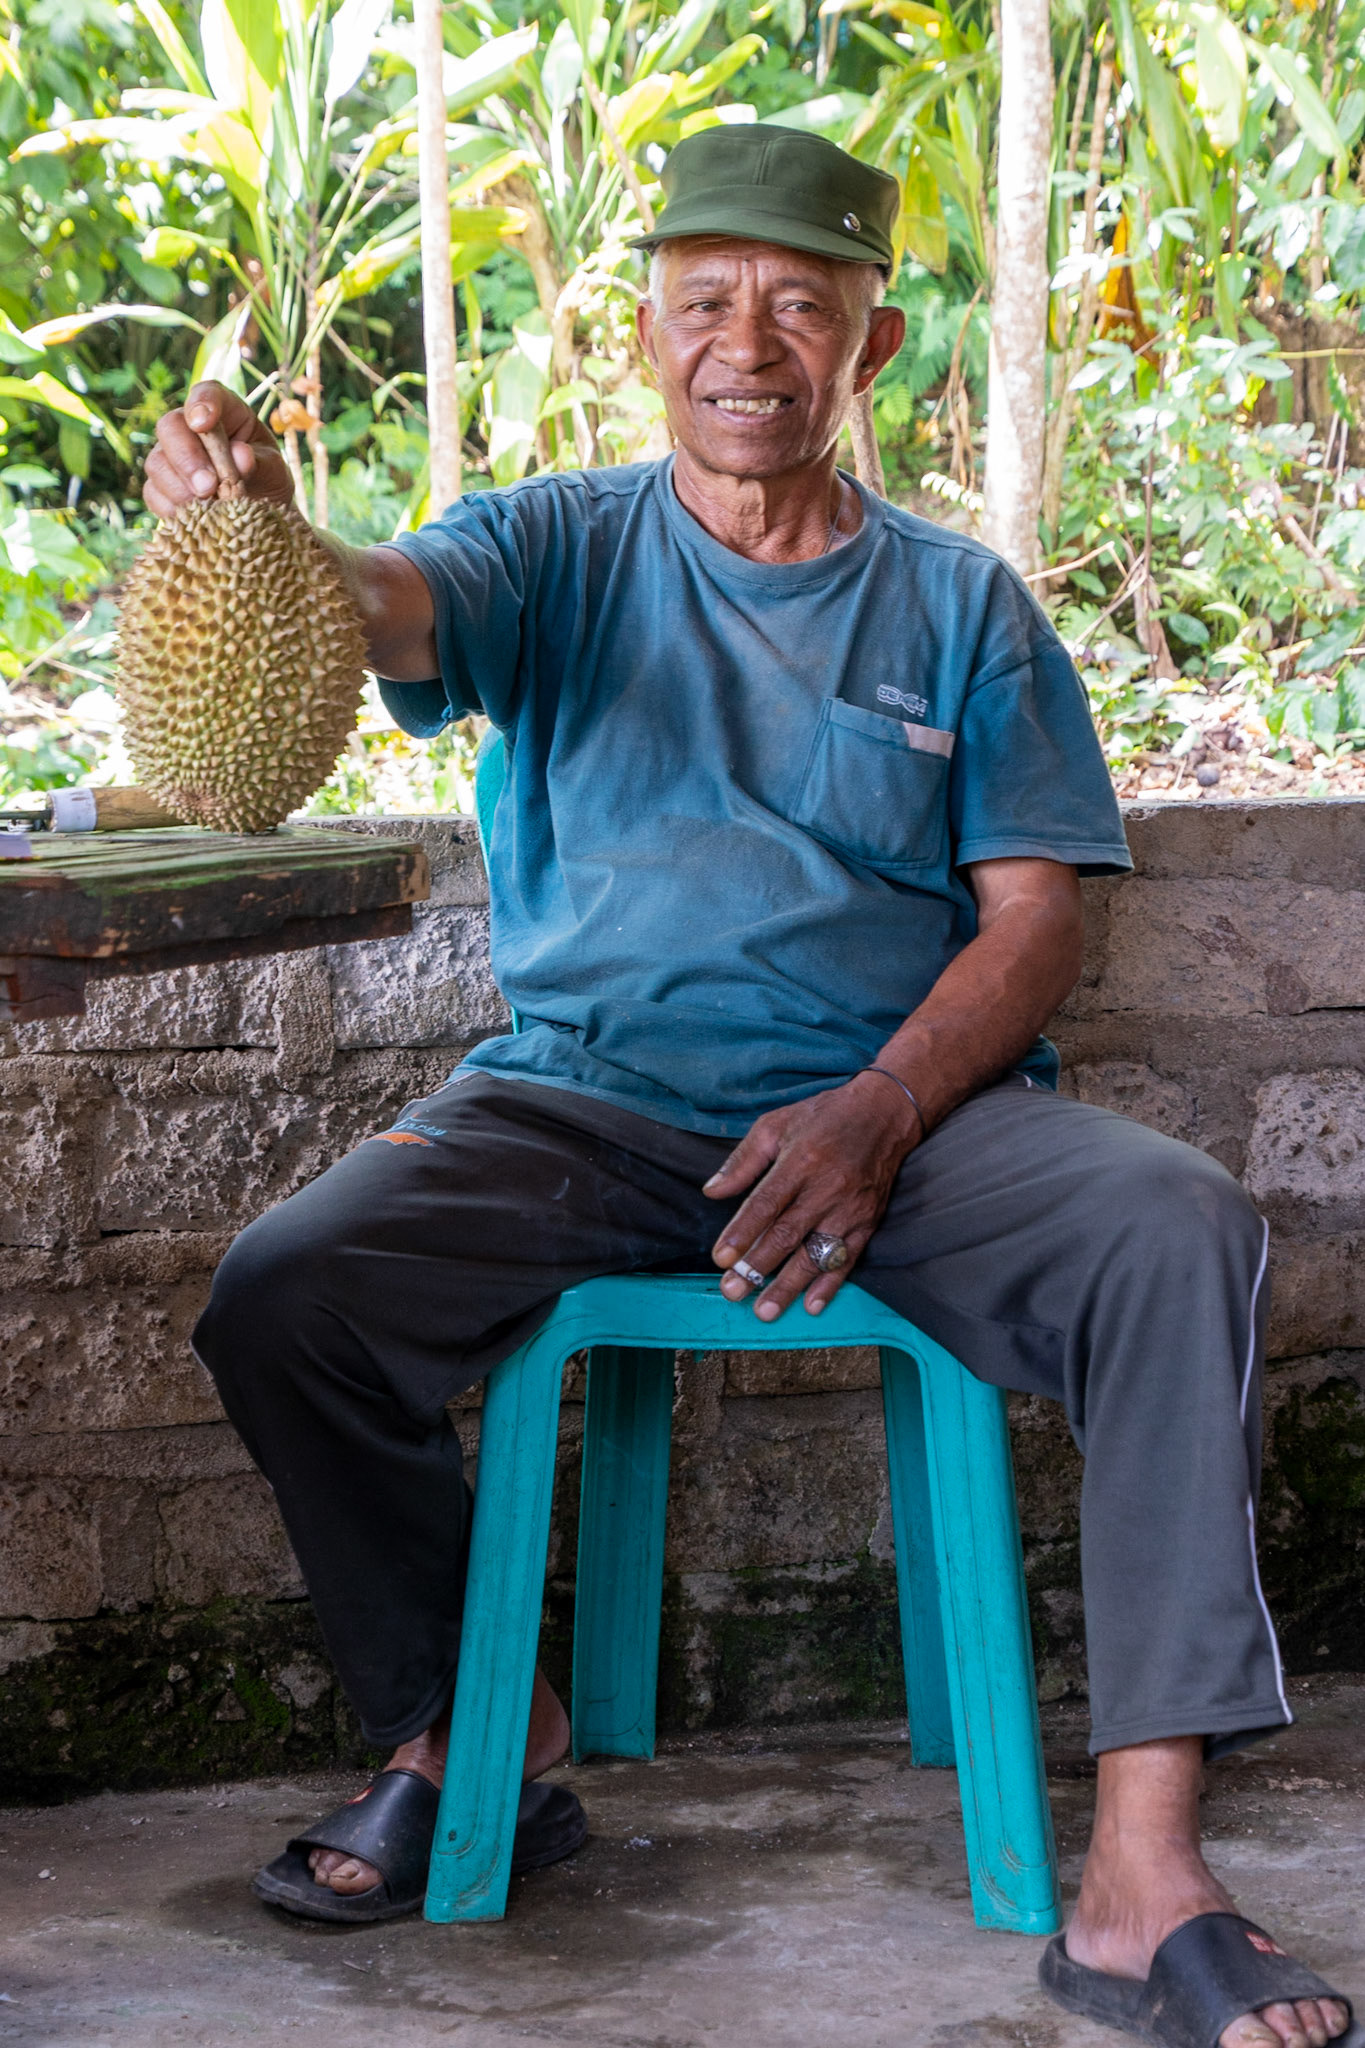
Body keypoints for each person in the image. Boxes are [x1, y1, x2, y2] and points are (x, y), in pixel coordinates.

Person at [146, 125, 1354, 2048]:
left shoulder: (963, 607)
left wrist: (879, 1113)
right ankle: (473, 1736)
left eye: (803, 303)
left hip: (915, 1118)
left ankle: (1141, 1875)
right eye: (707, 298)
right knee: (289, 1287)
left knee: (1175, 1225)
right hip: (582, 1106)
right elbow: (387, 608)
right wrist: (254, 522)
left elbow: (1030, 924)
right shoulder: (548, 547)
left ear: (869, 347)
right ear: (646, 332)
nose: (749, 342)